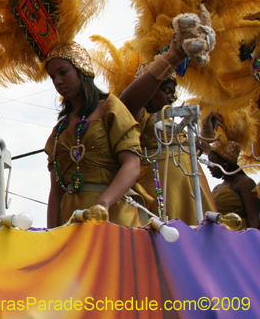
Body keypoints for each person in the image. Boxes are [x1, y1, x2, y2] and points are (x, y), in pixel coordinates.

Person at [44, 42, 143, 228]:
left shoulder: (110, 108)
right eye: (52, 77)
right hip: (72, 224)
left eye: (63, 72)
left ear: (83, 69)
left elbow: (132, 164)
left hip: (113, 218)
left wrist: (103, 203)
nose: (57, 81)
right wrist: (51, 234)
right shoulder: (59, 131)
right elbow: (56, 191)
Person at [118, 42, 216, 224]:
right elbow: (128, 101)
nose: (172, 98)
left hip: (192, 186)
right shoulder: (138, 117)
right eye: (167, 91)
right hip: (163, 188)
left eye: (174, 93)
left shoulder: (170, 122)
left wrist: (206, 133)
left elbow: (185, 150)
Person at [200, 113, 260, 230]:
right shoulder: (217, 188)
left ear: (225, 162)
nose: (209, 166)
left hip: (242, 241)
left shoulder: (245, 183)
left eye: (212, 161)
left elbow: (254, 220)